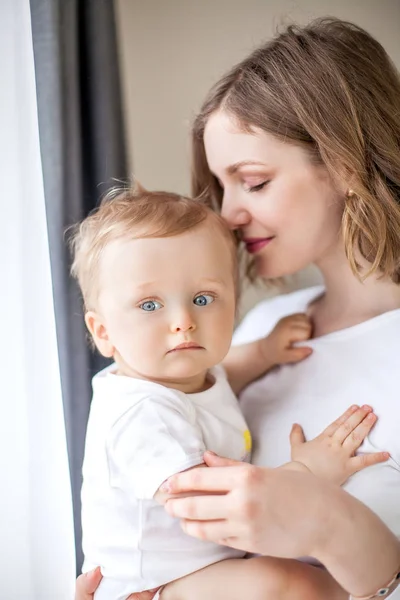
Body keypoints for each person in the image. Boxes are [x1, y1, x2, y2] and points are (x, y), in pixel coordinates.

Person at [75, 16, 400, 600]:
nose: (225, 216)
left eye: (252, 181)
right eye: (220, 188)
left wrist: (328, 519)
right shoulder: (254, 331)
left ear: (346, 162)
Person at [70, 186, 383, 600]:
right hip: (156, 585)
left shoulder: (182, 375)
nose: (183, 321)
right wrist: (307, 473)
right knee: (285, 584)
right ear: (103, 332)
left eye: (203, 298)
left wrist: (265, 351)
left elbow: (223, 373)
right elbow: (208, 501)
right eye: (149, 305)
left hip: (202, 565)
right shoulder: (139, 412)